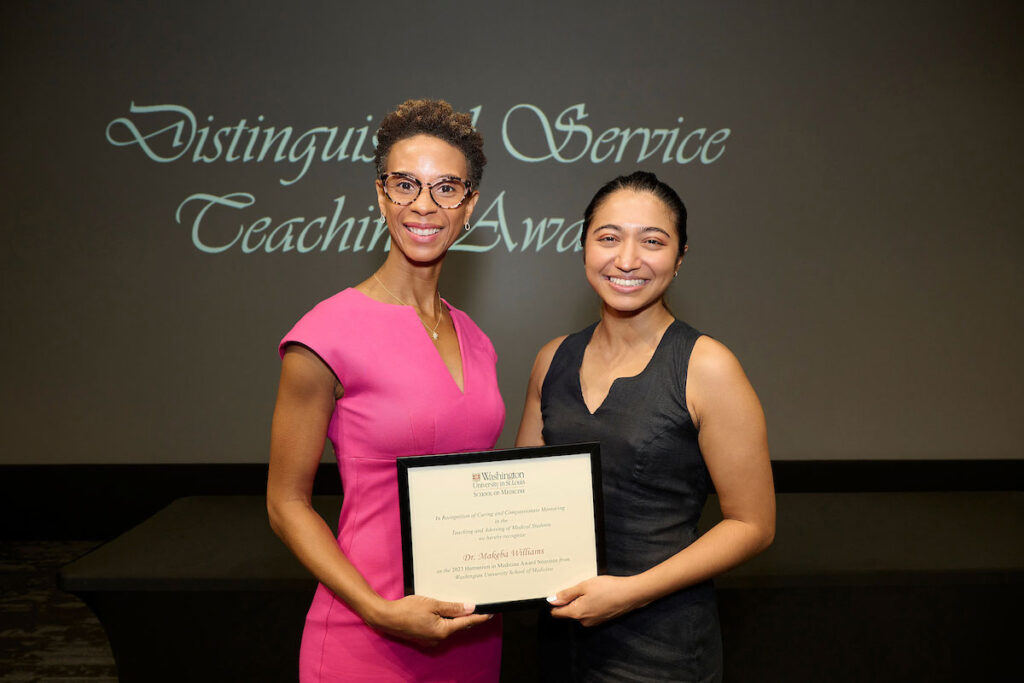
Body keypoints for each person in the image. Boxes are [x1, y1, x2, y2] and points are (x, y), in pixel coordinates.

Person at [267, 99, 503, 682]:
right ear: (380, 195)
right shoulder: (325, 332)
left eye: (447, 188)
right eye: (406, 185)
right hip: (366, 630)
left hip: (470, 629)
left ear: (470, 204)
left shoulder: (476, 337)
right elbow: (286, 504)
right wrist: (378, 610)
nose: (424, 205)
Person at [515, 171, 775, 682]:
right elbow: (523, 497)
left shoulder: (706, 366)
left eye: (652, 241)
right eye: (608, 237)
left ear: (679, 259)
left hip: (661, 649)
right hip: (560, 635)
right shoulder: (552, 360)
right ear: (584, 247)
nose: (627, 259)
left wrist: (628, 593)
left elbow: (753, 525)